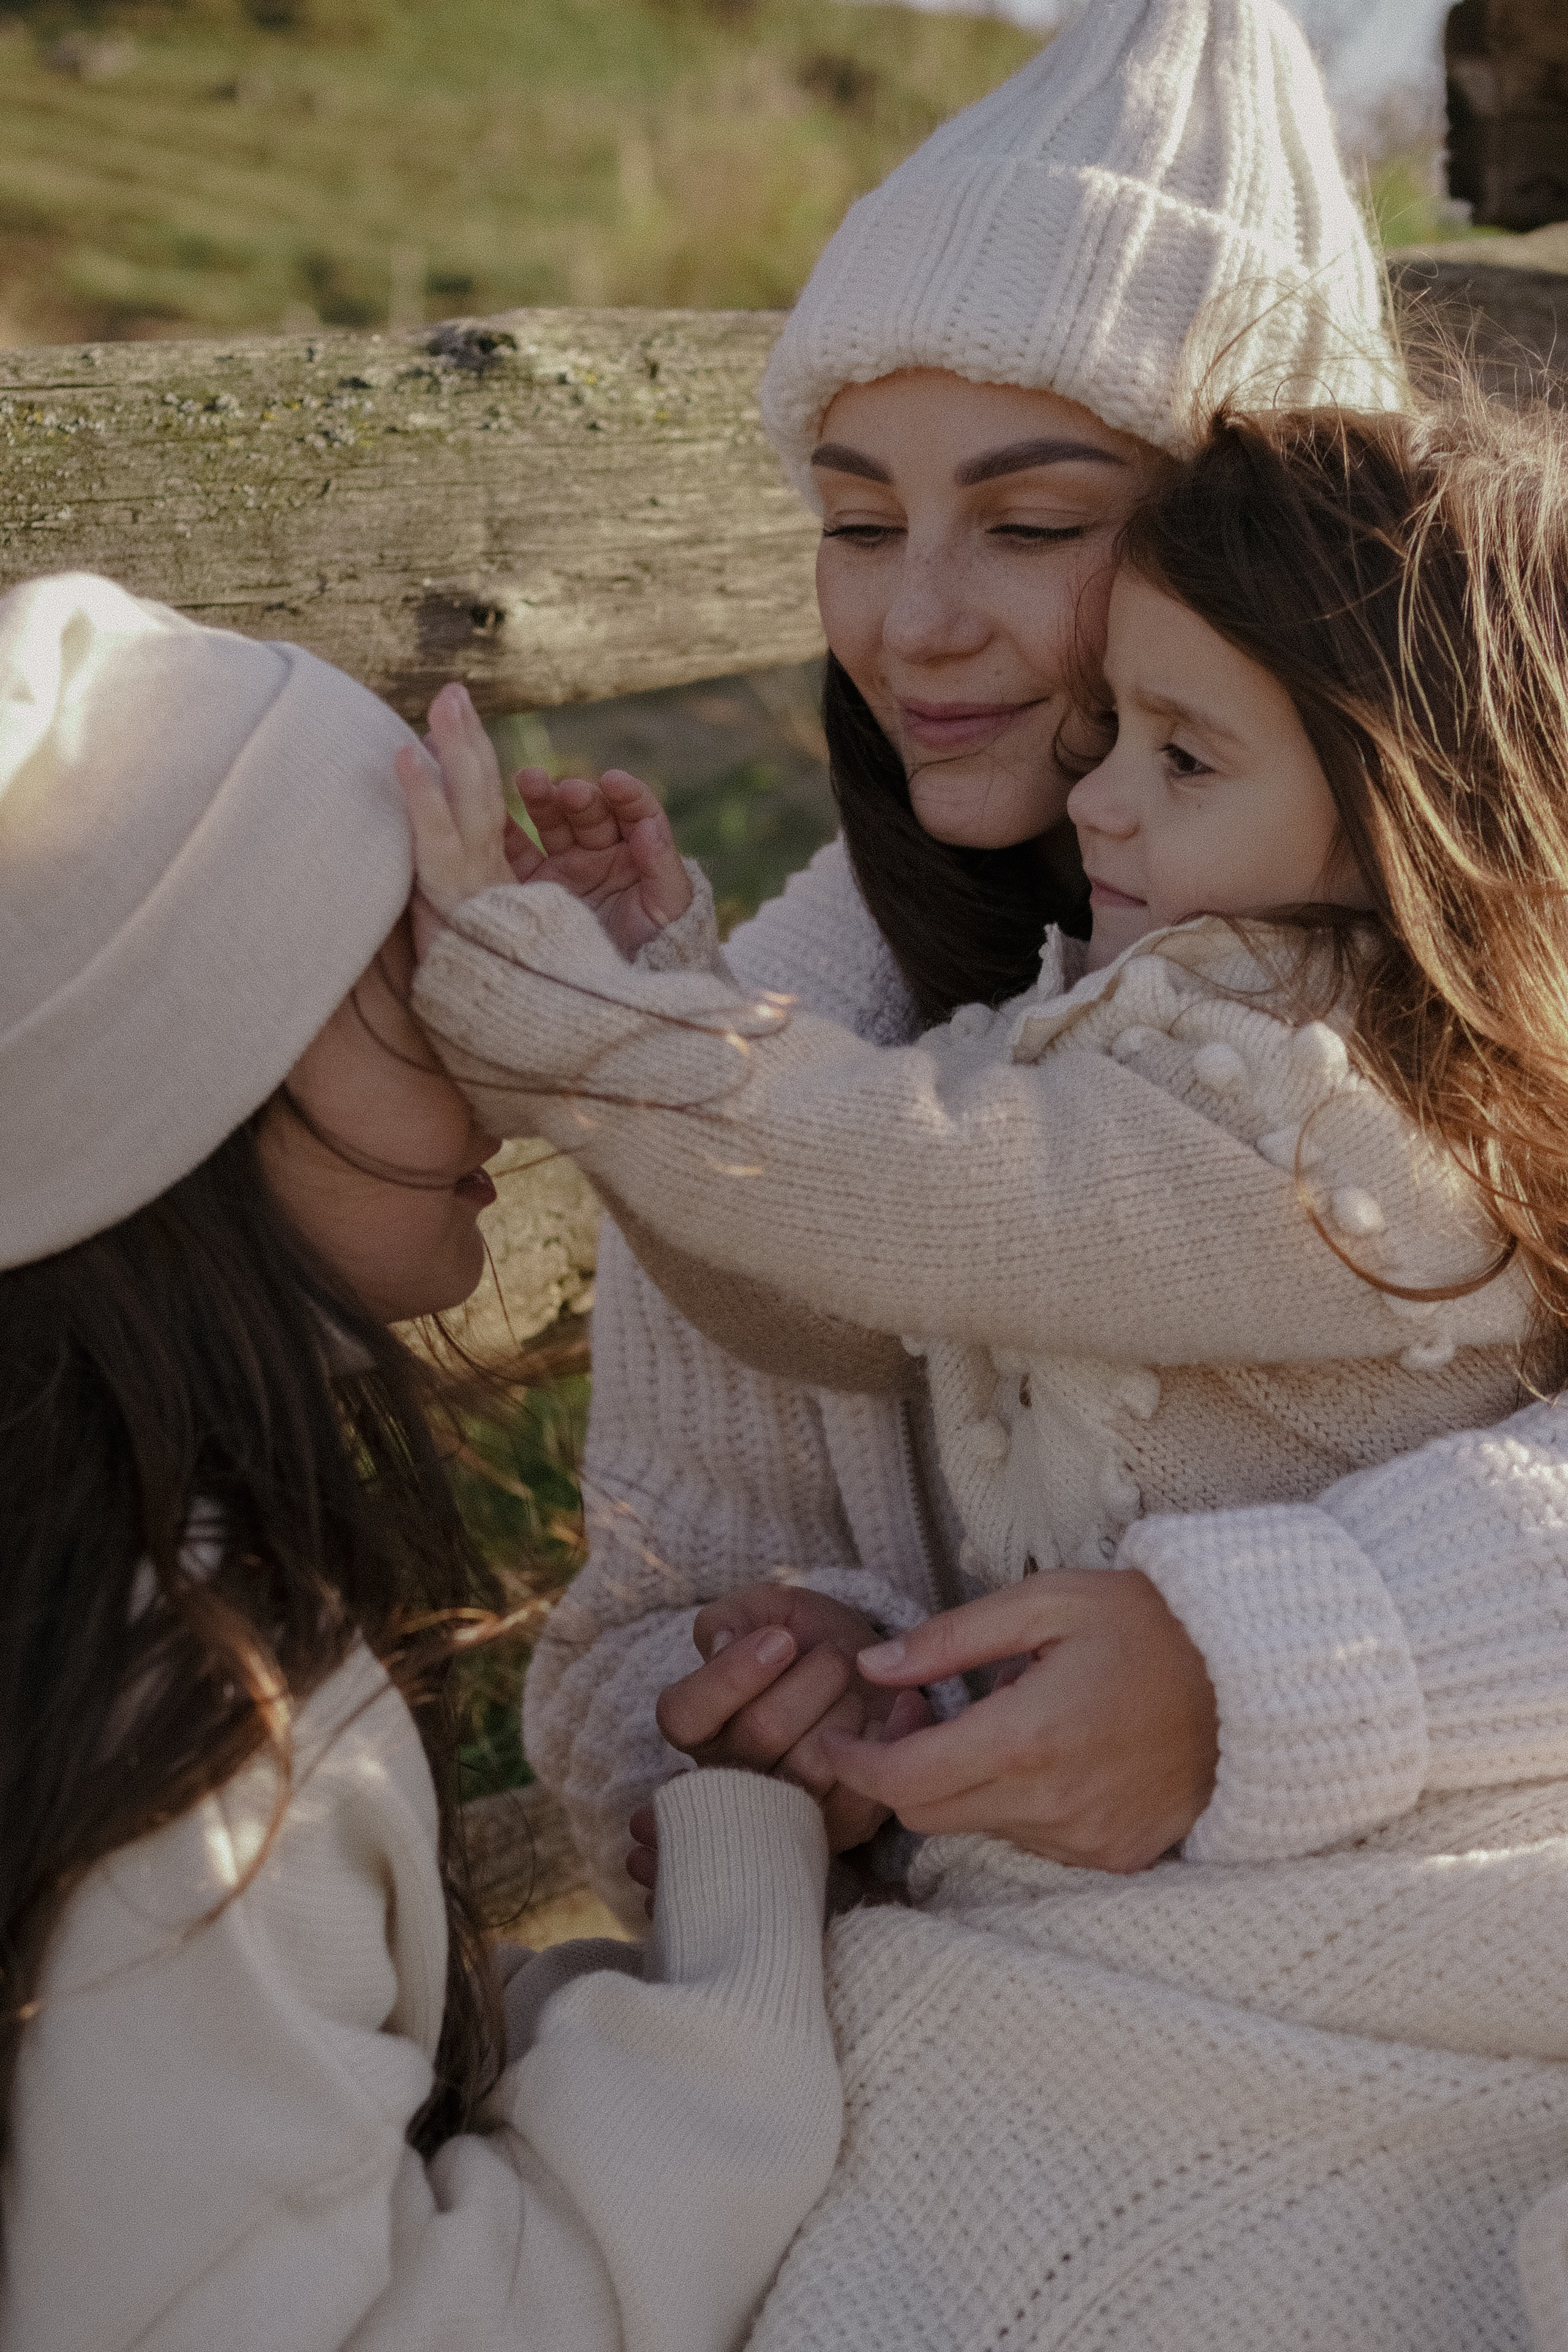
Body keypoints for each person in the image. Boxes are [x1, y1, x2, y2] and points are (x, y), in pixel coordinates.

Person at [399, 360, 1568, 2352]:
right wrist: (677, 988)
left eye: (1185, 759)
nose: (1102, 797)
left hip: (1342, 1875)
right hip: (1094, 1874)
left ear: (1411, 811)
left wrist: (584, 1033)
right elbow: (831, 1285)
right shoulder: (1131, 1018)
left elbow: (926, 1190)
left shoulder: (1337, 1120)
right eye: (1114, 733)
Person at [461, 0, 1568, 1931]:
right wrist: (780, 1718)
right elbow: (632, 1636)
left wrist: (1244, 1673)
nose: (915, 623)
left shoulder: (1472, 981)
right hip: (1002, 1959)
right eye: (857, 520)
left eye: (1034, 521)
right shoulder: (792, 1026)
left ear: (1277, 558)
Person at [0, 573, 842, 2352]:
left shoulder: (86, 1593)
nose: (498, 1036)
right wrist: (742, 1936)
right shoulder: (209, 1729)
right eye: (423, 965)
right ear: (197, 1061)